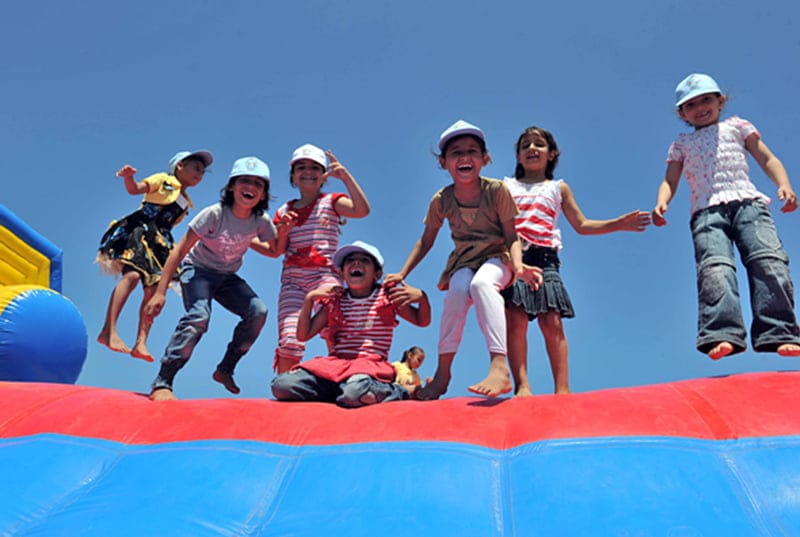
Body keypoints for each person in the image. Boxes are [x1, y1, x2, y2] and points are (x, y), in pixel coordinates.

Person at [386, 120, 542, 400]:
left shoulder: (496, 191)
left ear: (485, 159)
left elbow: (511, 235)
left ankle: (499, 365)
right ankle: (443, 374)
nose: (465, 157)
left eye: (472, 151)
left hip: (498, 257)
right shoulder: (442, 200)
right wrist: (402, 272)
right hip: (464, 261)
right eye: (456, 153)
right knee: (458, 290)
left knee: (482, 285)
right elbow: (426, 240)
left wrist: (518, 267)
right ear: (444, 163)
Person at [652, 73, 800, 359]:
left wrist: (784, 185)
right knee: (715, 269)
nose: (700, 107)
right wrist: (662, 202)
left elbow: (766, 157)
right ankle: (722, 332)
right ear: (682, 113)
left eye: (706, 99)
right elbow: (669, 180)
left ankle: (779, 331)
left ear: (720, 101)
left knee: (768, 261)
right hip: (707, 214)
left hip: (749, 205)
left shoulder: (738, 127)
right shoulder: (681, 144)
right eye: (691, 105)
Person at [503, 126, 651, 396]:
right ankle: (522, 385)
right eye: (525, 145)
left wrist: (618, 223)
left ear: (552, 154)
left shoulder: (558, 188)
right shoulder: (506, 186)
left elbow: (582, 224)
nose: (532, 149)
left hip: (545, 255)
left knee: (552, 320)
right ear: (518, 155)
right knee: (516, 318)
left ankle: (563, 388)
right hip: (516, 257)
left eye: (539, 144)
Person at [145, 156, 280, 401]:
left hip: (227, 276)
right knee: (198, 317)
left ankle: (225, 369)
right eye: (244, 181)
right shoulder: (214, 214)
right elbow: (179, 250)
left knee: (258, 310)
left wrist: (281, 232)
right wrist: (160, 292)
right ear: (231, 187)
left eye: (257, 185)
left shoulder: (260, 221)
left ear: (263, 194)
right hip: (198, 271)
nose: (250, 188)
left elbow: (274, 251)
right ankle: (163, 382)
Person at [271, 241, 431, 407]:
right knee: (282, 385)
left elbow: (421, 321)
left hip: (368, 367)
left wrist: (422, 299)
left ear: (377, 274)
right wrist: (310, 298)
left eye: (365, 260)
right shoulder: (336, 301)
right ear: (341, 274)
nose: (356, 262)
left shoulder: (387, 297)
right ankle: (342, 393)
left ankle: (402, 391)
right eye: (350, 260)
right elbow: (303, 335)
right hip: (336, 366)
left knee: (354, 391)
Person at [96, 150, 213, 362]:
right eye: (196, 168)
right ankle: (108, 330)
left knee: (153, 291)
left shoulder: (186, 201)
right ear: (180, 166)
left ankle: (141, 342)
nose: (200, 173)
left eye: (203, 172)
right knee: (131, 276)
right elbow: (136, 189)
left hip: (161, 242)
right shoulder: (163, 180)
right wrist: (129, 178)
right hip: (142, 231)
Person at [265, 144, 371, 374]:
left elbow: (362, 210)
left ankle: (341, 378)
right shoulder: (284, 210)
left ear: (324, 175)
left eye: (314, 167)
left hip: (325, 276)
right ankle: (286, 387)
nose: (307, 171)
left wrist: (345, 177)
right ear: (293, 175)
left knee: (337, 324)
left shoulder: (331, 202)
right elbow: (278, 249)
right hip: (293, 280)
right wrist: (283, 231)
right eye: (301, 167)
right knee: (290, 338)